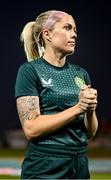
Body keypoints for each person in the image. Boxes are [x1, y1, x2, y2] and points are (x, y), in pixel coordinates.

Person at [15, 10, 98, 179]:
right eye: (67, 28)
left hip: (79, 164)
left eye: (75, 30)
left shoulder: (80, 74)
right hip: (45, 166)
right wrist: (78, 108)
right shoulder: (30, 71)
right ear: (47, 34)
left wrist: (89, 109)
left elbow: (90, 132)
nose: (74, 34)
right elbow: (31, 129)